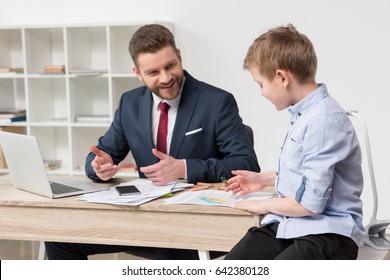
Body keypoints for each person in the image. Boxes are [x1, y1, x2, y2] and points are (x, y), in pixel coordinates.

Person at [45, 24, 260, 260]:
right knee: (58, 238)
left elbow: (247, 163)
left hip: (195, 222)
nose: (166, 78)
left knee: (169, 255)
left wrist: (184, 168)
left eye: (170, 66)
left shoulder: (217, 102)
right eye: (153, 72)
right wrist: (98, 166)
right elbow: (101, 154)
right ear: (138, 73)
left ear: (179, 56)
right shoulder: (130, 103)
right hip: (143, 217)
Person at [224, 23, 366, 260]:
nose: (261, 92)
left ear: (281, 77)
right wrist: (264, 178)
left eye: (261, 84)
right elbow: (308, 175)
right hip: (292, 224)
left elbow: (310, 204)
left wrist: (265, 205)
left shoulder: (322, 120)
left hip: (328, 233)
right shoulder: (304, 115)